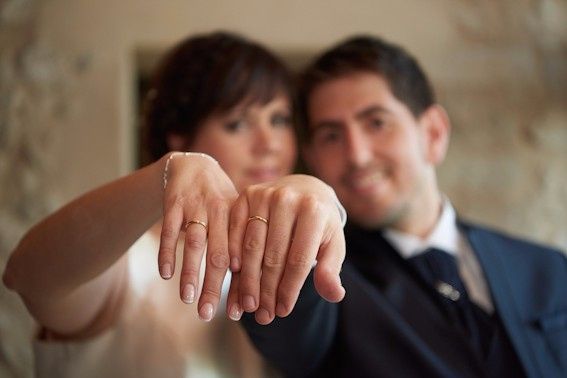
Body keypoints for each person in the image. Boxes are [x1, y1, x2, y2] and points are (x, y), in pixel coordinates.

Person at [2, 31, 346, 377]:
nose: (269, 143)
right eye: (237, 123)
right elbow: (27, 276)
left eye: (279, 120)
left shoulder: (299, 257)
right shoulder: (130, 257)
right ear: (179, 136)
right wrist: (162, 175)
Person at [239, 35, 567, 377]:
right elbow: (287, 338)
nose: (358, 156)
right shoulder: (324, 281)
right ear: (312, 158)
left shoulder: (547, 268)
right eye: (331, 136)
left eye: (376, 123)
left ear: (433, 134)